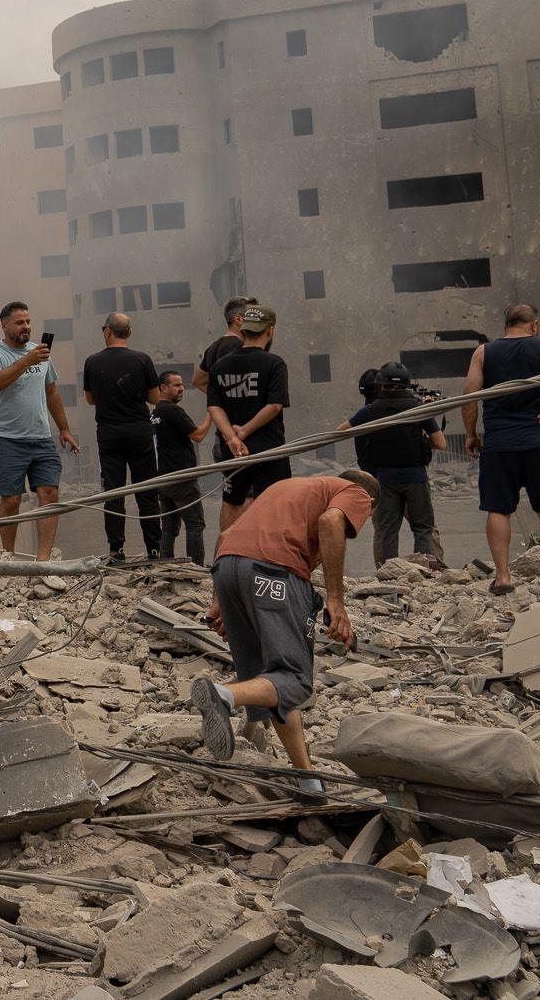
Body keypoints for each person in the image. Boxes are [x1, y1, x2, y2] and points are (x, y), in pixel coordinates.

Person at [190, 470, 381, 796]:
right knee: (295, 678)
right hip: (273, 572)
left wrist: (219, 602)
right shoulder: (355, 491)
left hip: (228, 569)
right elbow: (331, 523)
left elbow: (226, 536)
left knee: (272, 683)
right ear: (370, 503)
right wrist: (336, 600)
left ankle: (307, 779)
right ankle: (224, 696)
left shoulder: (286, 488)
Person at [464, 304, 540, 594]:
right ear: (534, 325)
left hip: (499, 444)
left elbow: (470, 396)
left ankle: (503, 577)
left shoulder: (483, 352)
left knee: (498, 509)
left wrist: (471, 434)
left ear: (506, 325)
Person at [0, 301, 81, 558]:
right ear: (4, 325)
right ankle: (9, 555)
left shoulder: (40, 352)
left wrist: (64, 429)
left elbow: (52, 392)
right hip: (6, 439)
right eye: (19, 322)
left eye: (28, 322)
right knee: (12, 499)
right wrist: (26, 361)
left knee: (49, 493)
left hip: (41, 438)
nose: (26, 327)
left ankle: (43, 560)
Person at [340, 362, 446, 566]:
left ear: (380, 385)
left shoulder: (370, 411)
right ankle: (425, 572)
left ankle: (389, 575)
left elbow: (341, 431)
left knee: (387, 531)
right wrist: (420, 439)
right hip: (416, 478)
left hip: (384, 481)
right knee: (423, 528)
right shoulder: (417, 408)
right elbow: (441, 443)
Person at [82, 312, 163, 562]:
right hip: (140, 431)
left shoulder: (92, 362)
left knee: (114, 493)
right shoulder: (142, 360)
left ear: (107, 331)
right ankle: (154, 550)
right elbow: (155, 398)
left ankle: (116, 551)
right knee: (146, 491)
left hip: (109, 434)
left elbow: (90, 399)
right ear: (129, 333)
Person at [208, 305, 290, 534]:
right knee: (273, 501)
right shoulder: (274, 363)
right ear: (269, 331)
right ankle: (269, 557)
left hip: (233, 451)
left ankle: (226, 554)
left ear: (243, 330)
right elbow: (274, 405)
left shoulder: (219, 366)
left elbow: (214, 407)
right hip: (268, 448)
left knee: (232, 499)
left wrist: (231, 438)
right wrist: (243, 431)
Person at [151, 371, 213, 563]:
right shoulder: (172, 410)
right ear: (163, 388)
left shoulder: (156, 413)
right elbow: (198, 435)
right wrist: (213, 411)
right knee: (195, 524)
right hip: (182, 478)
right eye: (176, 385)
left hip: (164, 478)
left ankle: (166, 564)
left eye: (182, 385)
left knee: (169, 526)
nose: (181, 389)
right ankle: (196, 568)